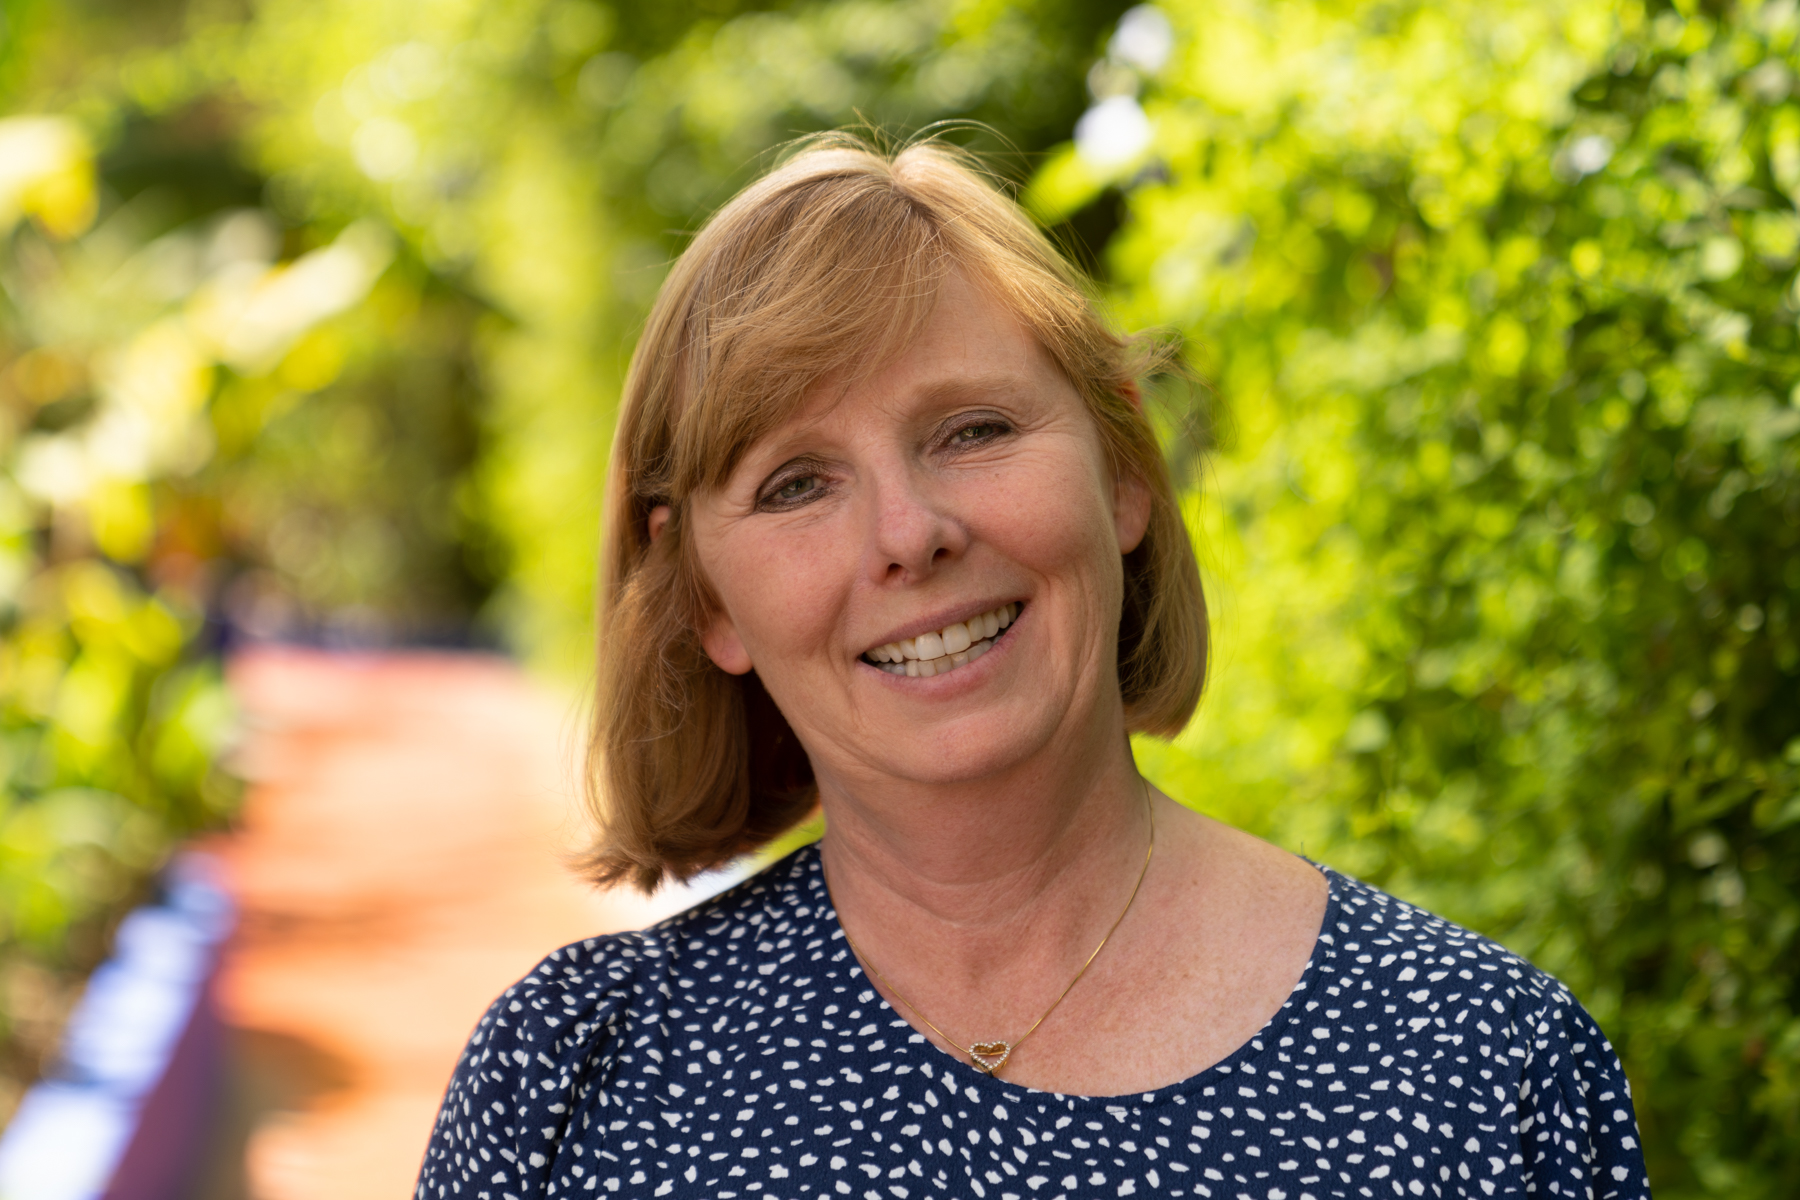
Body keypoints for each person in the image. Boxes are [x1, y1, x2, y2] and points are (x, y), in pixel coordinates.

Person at [414, 135, 1650, 1200]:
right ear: (703, 600)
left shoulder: (1483, 1067)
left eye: (974, 430)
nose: (909, 535)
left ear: (1123, 470)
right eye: (796, 484)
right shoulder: (571, 1085)